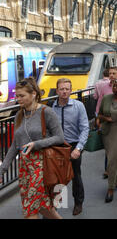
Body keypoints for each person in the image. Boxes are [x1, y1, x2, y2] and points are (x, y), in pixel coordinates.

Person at [0, 78, 64, 219]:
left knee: (31, 210)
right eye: (17, 95)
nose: (18, 99)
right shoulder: (19, 115)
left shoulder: (46, 112)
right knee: (43, 208)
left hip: (42, 166)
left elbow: (60, 137)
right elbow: (14, 146)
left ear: (33, 94)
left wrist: (36, 144)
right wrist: (2, 170)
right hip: (25, 168)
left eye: (22, 95)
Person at [52, 78, 89, 216]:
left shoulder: (78, 106)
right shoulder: (52, 107)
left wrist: (78, 148)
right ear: (57, 91)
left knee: (75, 175)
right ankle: (56, 204)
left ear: (71, 90)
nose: (64, 91)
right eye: (61, 89)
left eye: (67, 89)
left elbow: (85, 128)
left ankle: (78, 203)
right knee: (57, 177)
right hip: (57, 147)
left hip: (73, 146)